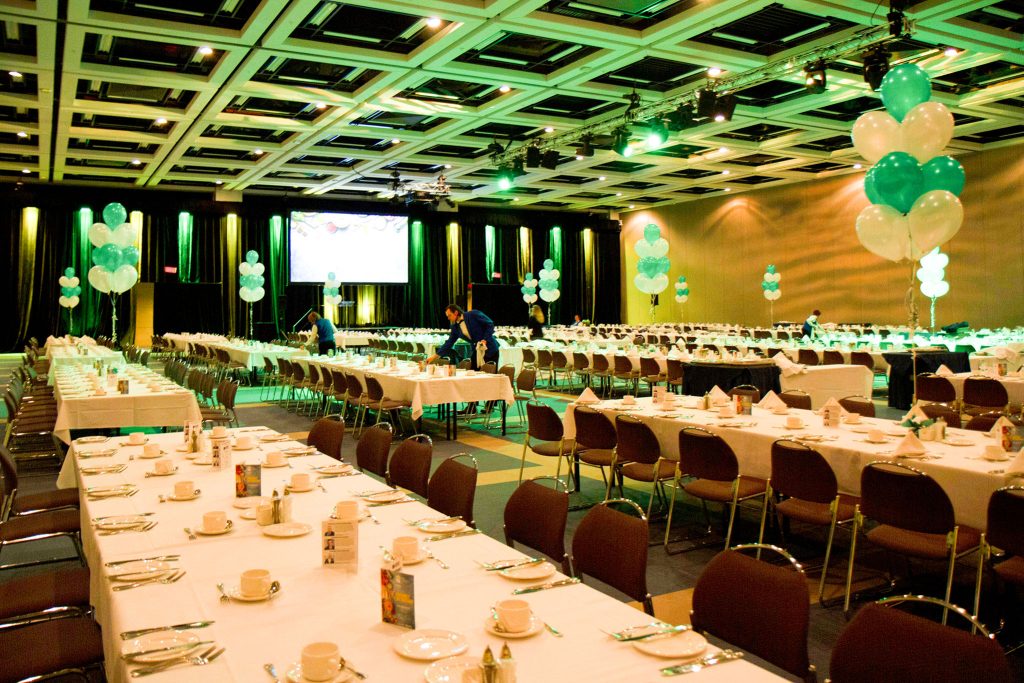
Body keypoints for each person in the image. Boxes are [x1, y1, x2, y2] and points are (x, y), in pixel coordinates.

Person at [425, 304, 498, 369]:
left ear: (456, 313)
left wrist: (485, 339)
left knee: (490, 376)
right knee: (474, 375)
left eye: (449, 315)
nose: (448, 318)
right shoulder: (455, 328)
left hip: (490, 349)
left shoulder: (473, 314)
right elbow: (449, 343)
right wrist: (434, 356)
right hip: (476, 350)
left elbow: (490, 324)